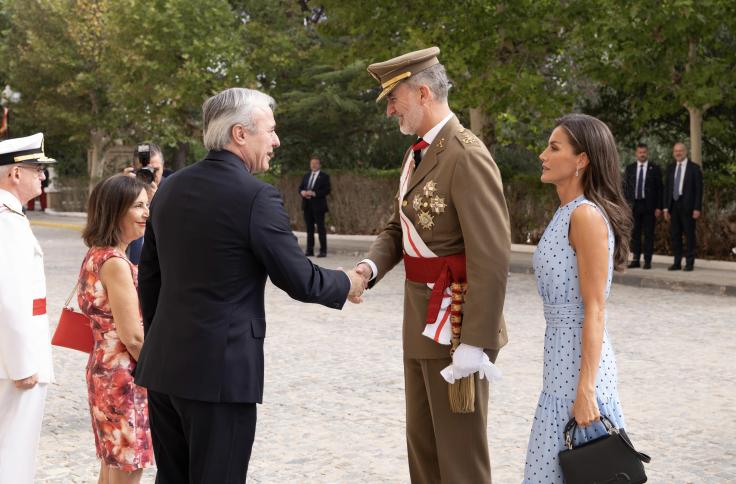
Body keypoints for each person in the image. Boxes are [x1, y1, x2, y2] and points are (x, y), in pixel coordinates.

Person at [134, 87, 364, 483]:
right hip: (221, 376)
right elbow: (299, 279)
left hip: (164, 369)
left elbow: (150, 281)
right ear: (240, 134)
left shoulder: (168, 189)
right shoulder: (257, 197)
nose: (275, 141)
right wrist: (349, 282)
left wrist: (160, 341)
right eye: (270, 130)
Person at [356, 47, 511, 483]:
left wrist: (476, 342)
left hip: (458, 326)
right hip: (422, 321)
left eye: (394, 100)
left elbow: (492, 255)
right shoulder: (417, 153)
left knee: (460, 460)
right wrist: (368, 268)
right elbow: (399, 226)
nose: (390, 111)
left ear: (423, 92)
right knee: (423, 451)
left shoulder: (466, 154)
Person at [523, 114, 632, 483]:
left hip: (580, 372)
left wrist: (586, 390)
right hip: (559, 364)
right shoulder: (565, 212)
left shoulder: (585, 216)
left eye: (554, 148)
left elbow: (595, 308)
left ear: (581, 160)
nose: (543, 155)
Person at [77, 174, 154, 484]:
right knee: (127, 464)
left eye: (147, 205)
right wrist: (159, 374)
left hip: (103, 369)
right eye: (138, 206)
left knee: (112, 464)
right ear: (115, 210)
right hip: (124, 375)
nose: (146, 213)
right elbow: (133, 336)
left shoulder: (96, 254)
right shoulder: (115, 262)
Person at [0, 133, 56, 483]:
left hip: (11, 360)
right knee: (12, 455)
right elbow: (8, 296)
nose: (43, 176)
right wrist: (22, 364)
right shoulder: (6, 221)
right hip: (13, 365)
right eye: (36, 169)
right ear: (15, 174)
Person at [663, 142, 703, 271]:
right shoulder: (670, 168)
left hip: (689, 207)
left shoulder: (694, 168)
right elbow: (667, 189)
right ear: (673, 153)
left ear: (686, 152)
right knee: (675, 235)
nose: (678, 153)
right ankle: (677, 262)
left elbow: (698, 190)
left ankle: (689, 263)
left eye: (680, 151)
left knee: (689, 235)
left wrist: (697, 208)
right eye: (676, 151)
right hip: (673, 206)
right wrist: (665, 208)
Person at [125, 143, 167, 265]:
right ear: (133, 168)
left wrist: (158, 201)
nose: (151, 175)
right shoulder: (124, 190)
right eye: (144, 171)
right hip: (127, 268)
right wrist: (122, 192)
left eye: (156, 170)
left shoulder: (174, 190)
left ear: (164, 166)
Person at [623, 143, 662, 269]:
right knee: (635, 234)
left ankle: (647, 260)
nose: (642, 154)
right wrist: (625, 205)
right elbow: (625, 188)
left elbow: (660, 189)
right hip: (634, 206)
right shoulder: (630, 168)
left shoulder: (654, 168)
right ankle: (635, 259)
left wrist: (658, 207)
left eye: (644, 152)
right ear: (636, 153)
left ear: (647, 153)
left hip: (649, 206)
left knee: (649, 234)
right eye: (640, 152)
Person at [298, 156, 331, 257]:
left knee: (321, 229)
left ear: (319, 165)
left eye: (315, 163)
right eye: (312, 163)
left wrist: (314, 193)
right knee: (309, 229)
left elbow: (327, 190)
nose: (313, 165)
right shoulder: (306, 175)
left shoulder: (324, 176)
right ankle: (309, 250)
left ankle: (323, 251)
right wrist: (302, 192)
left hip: (319, 207)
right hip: (307, 206)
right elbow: (300, 188)